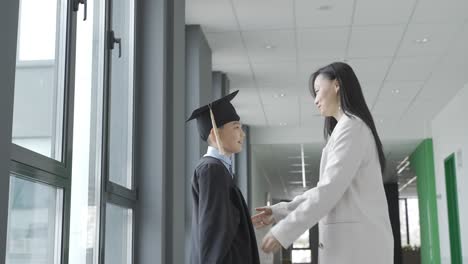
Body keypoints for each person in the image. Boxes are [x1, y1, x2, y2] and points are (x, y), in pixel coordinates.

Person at [251, 62, 394, 264]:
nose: (316, 100)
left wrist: (283, 231)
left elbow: (329, 190)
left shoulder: (352, 128)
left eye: (318, 91)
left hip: (359, 248)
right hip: (353, 247)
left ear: (337, 85)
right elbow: (325, 189)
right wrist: (279, 211)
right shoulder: (345, 129)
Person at [187, 90, 260, 264]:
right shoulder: (212, 169)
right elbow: (213, 234)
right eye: (236, 127)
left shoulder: (218, 168)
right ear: (214, 133)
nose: (242, 134)